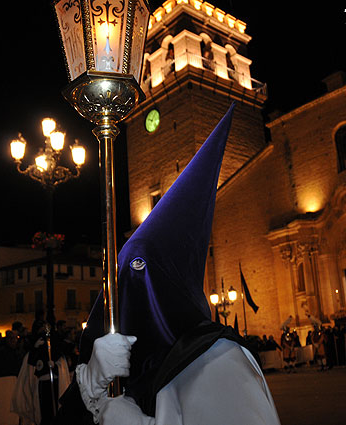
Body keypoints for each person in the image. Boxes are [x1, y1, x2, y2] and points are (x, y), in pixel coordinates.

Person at [56, 104, 279, 425]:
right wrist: (91, 383)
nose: (125, 289)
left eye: (137, 270)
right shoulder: (139, 366)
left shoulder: (220, 361)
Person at [12, 319, 71, 425]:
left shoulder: (57, 352)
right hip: (40, 387)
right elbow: (28, 374)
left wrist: (55, 366)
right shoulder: (31, 354)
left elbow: (63, 370)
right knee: (42, 413)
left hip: (55, 386)